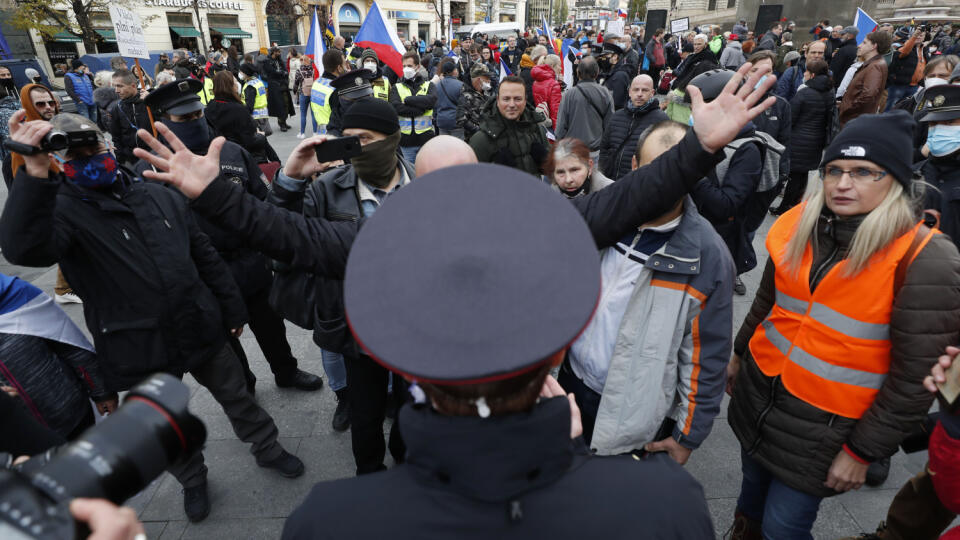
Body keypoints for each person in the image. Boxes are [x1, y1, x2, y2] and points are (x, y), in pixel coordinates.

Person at [129, 63, 778, 540]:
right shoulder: (666, 505)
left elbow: (298, 242)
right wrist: (698, 147)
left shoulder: (330, 522)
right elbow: (623, 206)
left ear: (408, 366)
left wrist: (218, 195)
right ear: (556, 349)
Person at [0, 112, 305, 523]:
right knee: (163, 424)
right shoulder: (63, 212)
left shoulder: (155, 191)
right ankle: (192, 479)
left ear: (108, 145)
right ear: (59, 161)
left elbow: (203, 254)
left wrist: (231, 308)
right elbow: (23, 250)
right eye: (73, 153)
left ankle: (268, 449)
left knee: (238, 396)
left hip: (200, 326)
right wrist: (34, 172)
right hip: (138, 346)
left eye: (92, 147)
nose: (87, 157)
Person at [725, 110, 960, 540]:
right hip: (760, 402)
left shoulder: (925, 258)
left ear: (895, 179)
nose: (842, 183)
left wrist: (863, 452)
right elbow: (768, 301)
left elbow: (913, 380)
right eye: (834, 170)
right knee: (750, 503)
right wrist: (740, 355)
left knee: (783, 528)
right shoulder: (801, 223)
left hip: (828, 431)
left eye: (863, 171)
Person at [561, 120, 734, 465]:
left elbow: (704, 356)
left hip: (627, 413)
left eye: (675, 172)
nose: (664, 185)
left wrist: (688, 435)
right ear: (636, 167)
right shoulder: (603, 220)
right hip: (566, 383)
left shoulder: (707, 255)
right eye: (657, 170)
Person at [141, 79, 321, 393]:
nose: (195, 122)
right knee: (225, 332)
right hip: (206, 272)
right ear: (164, 122)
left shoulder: (232, 151)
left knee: (270, 325)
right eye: (184, 119)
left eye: (198, 115)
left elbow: (261, 199)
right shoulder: (155, 168)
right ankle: (244, 385)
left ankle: (286, 371)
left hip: (251, 262)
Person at [267, 97, 415, 469]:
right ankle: (370, 473)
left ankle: (406, 460)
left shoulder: (425, 181)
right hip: (357, 328)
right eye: (349, 139)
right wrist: (290, 181)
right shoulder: (326, 189)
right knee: (365, 414)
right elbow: (281, 249)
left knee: (413, 408)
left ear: (392, 139)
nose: (357, 148)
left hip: (418, 326)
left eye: (365, 138)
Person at [0, 272, 116, 440]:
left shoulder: (18, 296)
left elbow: (73, 348)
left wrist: (102, 391)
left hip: (74, 416)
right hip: (19, 440)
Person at [687, 69, 764, 296]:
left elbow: (726, 205)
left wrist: (692, 172)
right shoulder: (697, 136)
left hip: (716, 244)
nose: (695, 112)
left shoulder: (747, 150)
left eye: (702, 106)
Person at [773, 58, 835, 216]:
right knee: (802, 174)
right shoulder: (829, 92)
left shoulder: (805, 92)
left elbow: (791, 117)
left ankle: (785, 207)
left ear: (812, 75)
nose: (804, 74)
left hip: (799, 139)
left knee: (794, 175)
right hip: (816, 140)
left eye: (806, 71)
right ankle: (795, 204)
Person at [469, 75, 549, 176]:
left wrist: (546, 162)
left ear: (525, 100)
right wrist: (495, 174)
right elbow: (472, 183)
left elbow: (554, 173)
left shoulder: (537, 130)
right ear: (498, 100)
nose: (512, 104)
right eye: (506, 99)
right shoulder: (481, 139)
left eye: (517, 99)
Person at [599, 74, 668, 180]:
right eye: (636, 90)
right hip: (611, 182)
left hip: (638, 184)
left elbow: (664, 157)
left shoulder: (661, 119)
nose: (639, 94)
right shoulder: (617, 116)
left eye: (644, 90)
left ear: (652, 93)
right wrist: (604, 171)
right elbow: (604, 147)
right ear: (630, 92)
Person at [205, 71, 275, 164]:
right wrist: (260, 136)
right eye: (235, 82)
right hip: (244, 157)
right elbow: (249, 140)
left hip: (222, 156)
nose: (237, 85)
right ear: (230, 87)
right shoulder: (239, 110)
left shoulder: (209, 108)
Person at [555, 56, 614, 162]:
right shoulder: (605, 93)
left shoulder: (569, 94)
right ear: (596, 73)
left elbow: (560, 127)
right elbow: (609, 126)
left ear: (578, 73)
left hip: (573, 151)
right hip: (595, 151)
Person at [389, 51, 437, 164]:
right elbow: (396, 108)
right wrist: (421, 109)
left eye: (409, 66)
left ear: (418, 67)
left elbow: (431, 101)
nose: (406, 69)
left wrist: (407, 100)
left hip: (425, 140)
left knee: (426, 172)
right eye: (404, 66)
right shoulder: (397, 87)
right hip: (406, 142)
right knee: (410, 174)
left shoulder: (429, 85)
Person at [839, 31, 892, 126]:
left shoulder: (875, 66)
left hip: (855, 121)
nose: (859, 45)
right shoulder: (874, 63)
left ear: (874, 46)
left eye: (864, 43)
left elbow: (868, 96)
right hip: (856, 119)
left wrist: (848, 109)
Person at [107, 69, 151, 167]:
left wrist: (153, 102)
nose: (116, 90)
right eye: (115, 86)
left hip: (154, 155)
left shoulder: (149, 102)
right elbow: (116, 137)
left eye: (120, 86)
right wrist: (121, 160)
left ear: (133, 86)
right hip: (131, 159)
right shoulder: (116, 108)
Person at [545, 137, 612, 199]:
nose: (568, 180)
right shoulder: (552, 194)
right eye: (560, 172)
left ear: (590, 166)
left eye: (574, 170)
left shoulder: (610, 194)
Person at [886, 27, 927, 111]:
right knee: (891, 107)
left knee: (904, 108)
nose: (919, 37)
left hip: (914, 86)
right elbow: (903, 51)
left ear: (924, 38)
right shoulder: (907, 46)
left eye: (921, 35)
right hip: (899, 85)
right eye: (917, 35)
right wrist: (914, 37)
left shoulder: (924, 50)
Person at [310, 49, 347, 136]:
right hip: (335, 134)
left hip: (321, 132)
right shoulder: (336, 89)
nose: (346, 67)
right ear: (339, 68)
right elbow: (342, 117)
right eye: (344, 64)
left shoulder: (317, 83)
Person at [457, 63, 493, 141]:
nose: (489, 80)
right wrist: (479, 131)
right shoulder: (465, 95)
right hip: (474, 140)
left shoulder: (485, 93)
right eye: (486, 78)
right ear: (479, 79)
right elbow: (460, 119)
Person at [263, 47, 291, 131]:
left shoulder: (279, 60)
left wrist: (283, 73)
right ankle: (281, 123)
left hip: (283, 85)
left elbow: (285, 70)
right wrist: (281, 73)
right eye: (278, 52)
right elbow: (272, 72)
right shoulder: (267, 61)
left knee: (286, 104)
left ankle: (284, 121)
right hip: (274, 86)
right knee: (279, 105)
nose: (280, 53)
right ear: (274, 52)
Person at [434, 58, 464, 139]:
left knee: (444, 147)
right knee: (457, 148)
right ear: (453, 71)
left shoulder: (437, 86)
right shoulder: (460, 85)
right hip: (456, 122)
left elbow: (435, 105)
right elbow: (463, 105)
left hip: (441, 121)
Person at [601, 42, 635, 110]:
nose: (603, 58)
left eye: (606, 56)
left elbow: (616, 102)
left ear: (615, 57)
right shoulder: (610, 71)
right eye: (602, 56)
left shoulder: (620, 76)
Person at [531, 54, 562, 127]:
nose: (560, 68)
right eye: (559, 65)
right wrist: (557, 130)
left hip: (542, 121)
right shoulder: (553, 84)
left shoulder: (537, 81)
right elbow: (555, 111)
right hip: (551, 124)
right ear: (552, 65)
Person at [241, 63, 271, 135]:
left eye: (241, 72)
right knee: (262, 139)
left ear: (246, 73)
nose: (240, 73)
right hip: (263, 114)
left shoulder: (250, 86)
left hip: (255, 117)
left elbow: (249, 105)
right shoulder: (258, 82)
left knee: (257, 138)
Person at [293, 54, 317, 138]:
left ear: (302, 61)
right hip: (313, 93)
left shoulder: (299, 71)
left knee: (303, 115)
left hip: (303, 93)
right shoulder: (313, 70)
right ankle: (315, 133)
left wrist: (295, 92)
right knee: (314, 114)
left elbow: (296, 84)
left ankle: (302, 133)